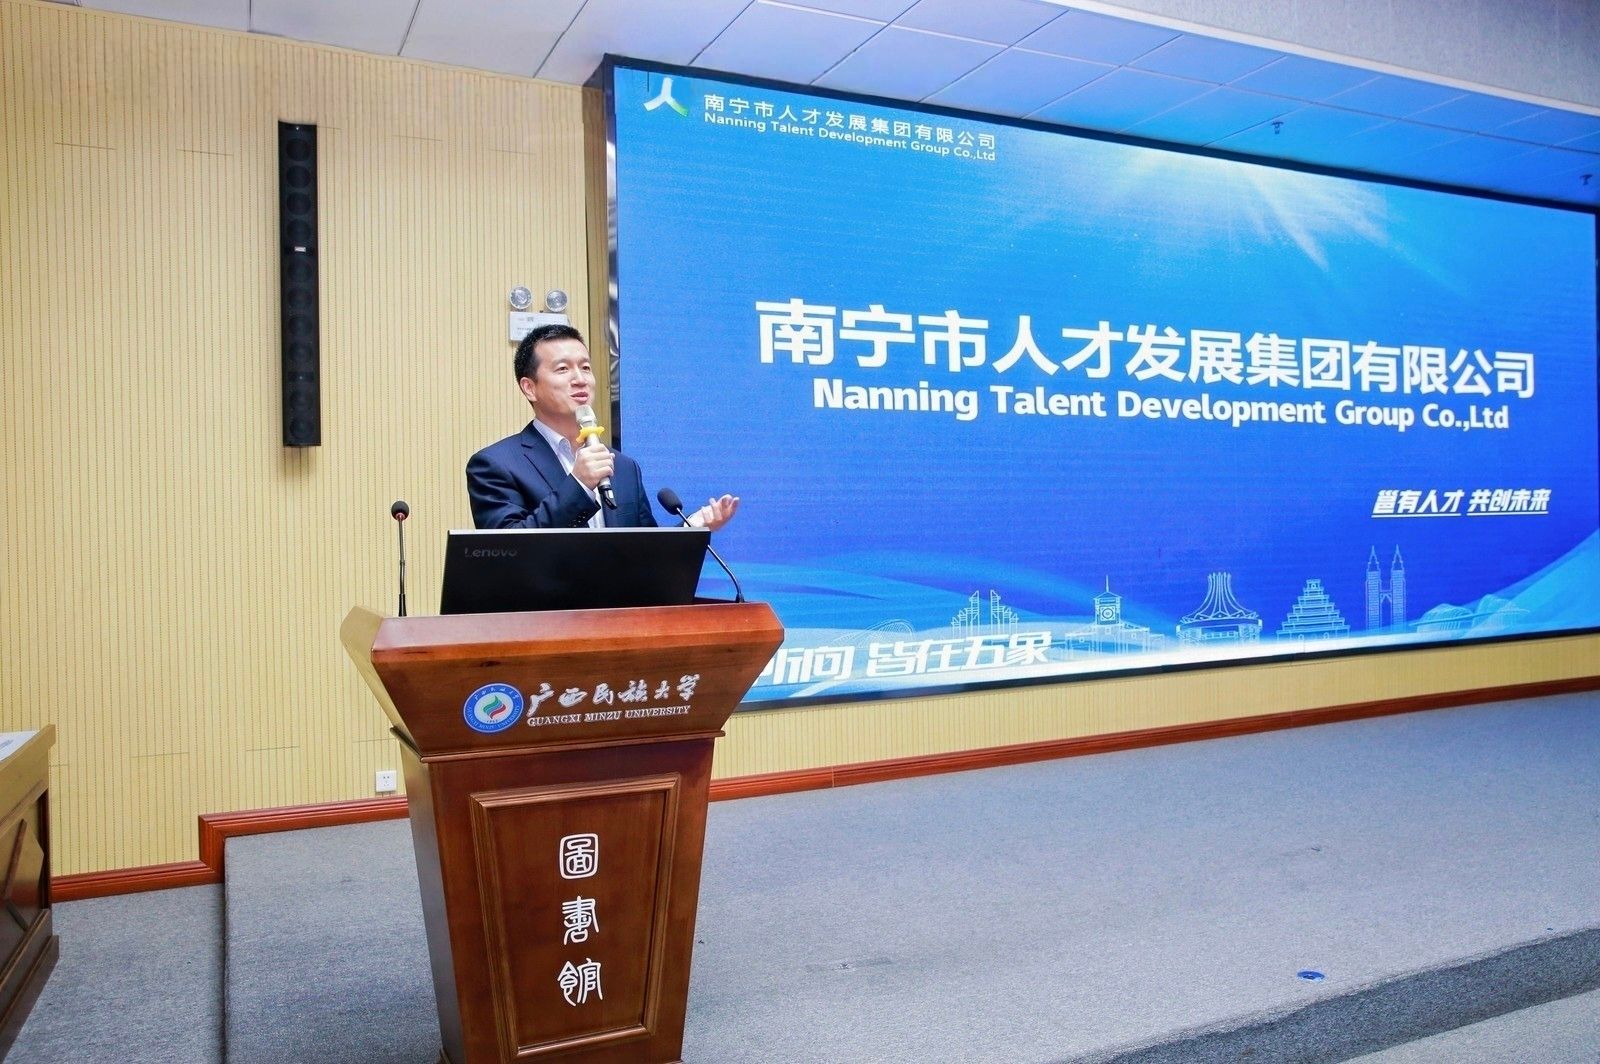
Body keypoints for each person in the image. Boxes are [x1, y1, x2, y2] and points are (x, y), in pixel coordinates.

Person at [467, 324, 738, 531]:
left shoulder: (623, 467)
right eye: (562, 369)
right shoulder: (496, 465)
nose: (580, 379)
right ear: (529, 388)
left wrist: (691, 530)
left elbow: (645, 554)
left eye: (585, 367)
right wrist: (579, 484)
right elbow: (509, 552)